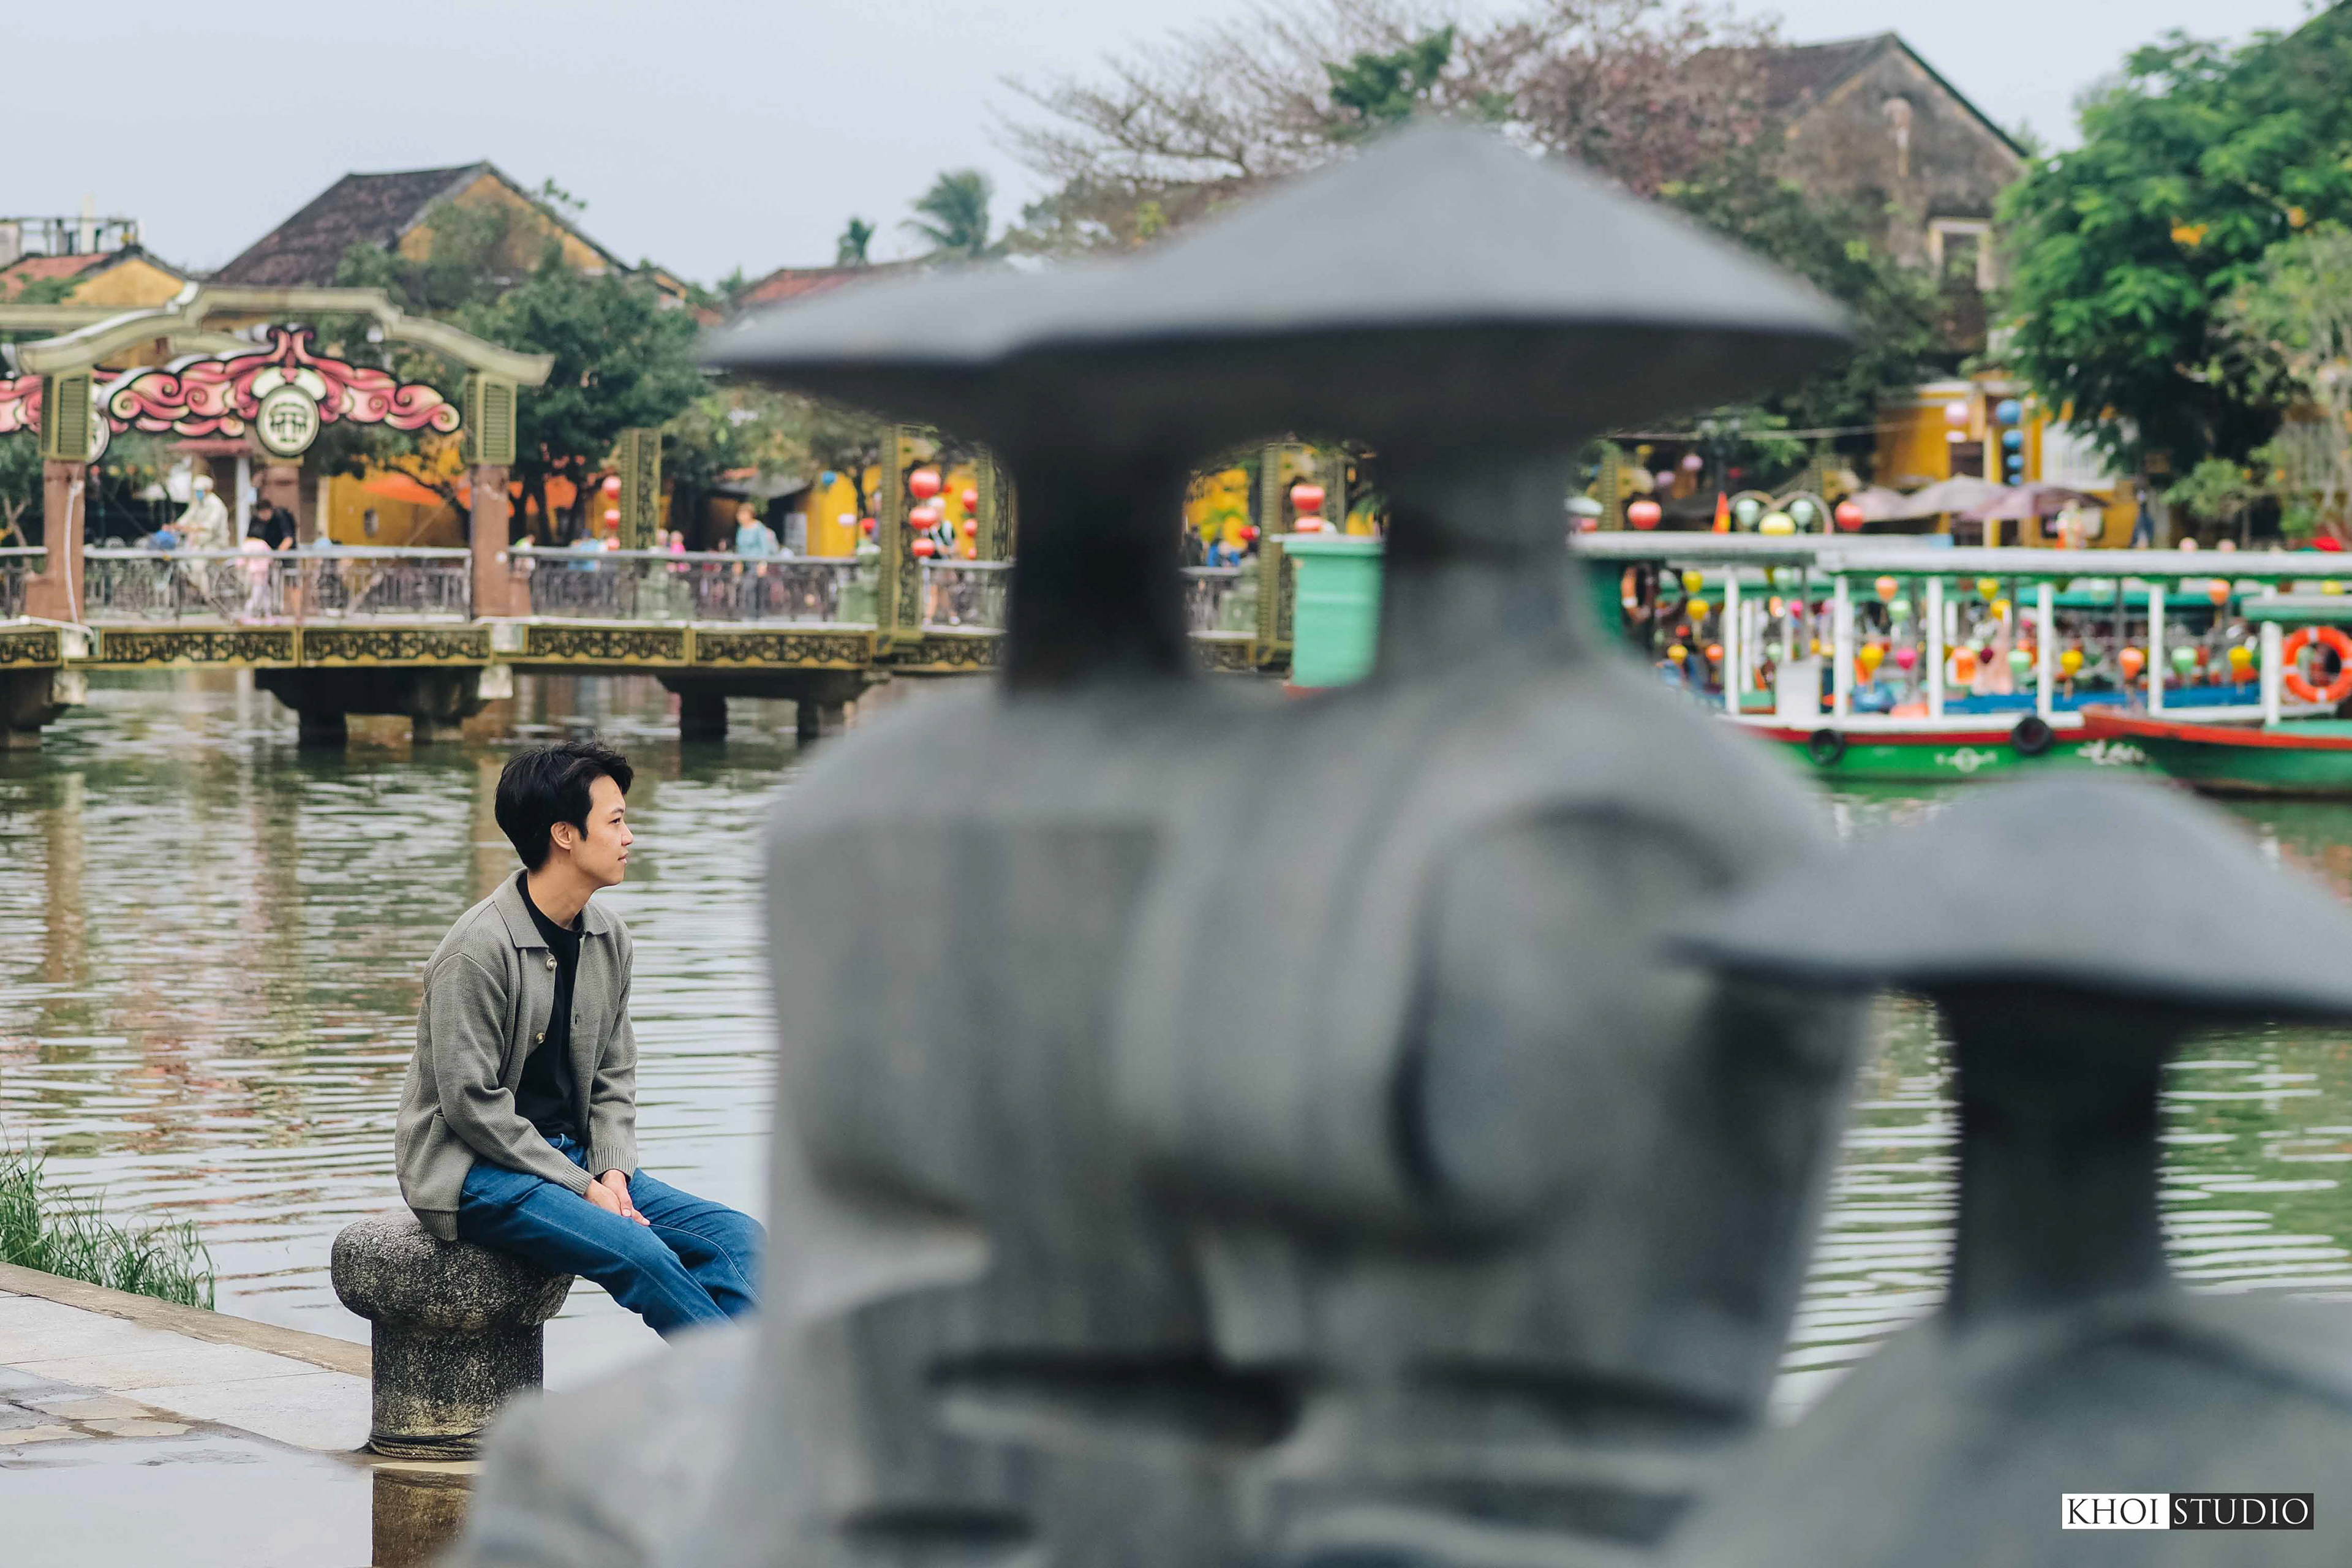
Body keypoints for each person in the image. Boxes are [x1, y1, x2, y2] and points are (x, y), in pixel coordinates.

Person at [393, 741, 764, 1337]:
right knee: (641, 1255)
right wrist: (582, 1185)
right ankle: (746, 1389)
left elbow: (614, 1077)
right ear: (565, 834)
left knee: (739, 1240)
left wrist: (612, 1172)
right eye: (615, 822)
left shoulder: (609, 937)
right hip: (474, 1171)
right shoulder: (476, 950)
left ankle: (756, 1383)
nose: (629, 837)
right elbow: (470, 1105)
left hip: (577, 1158)